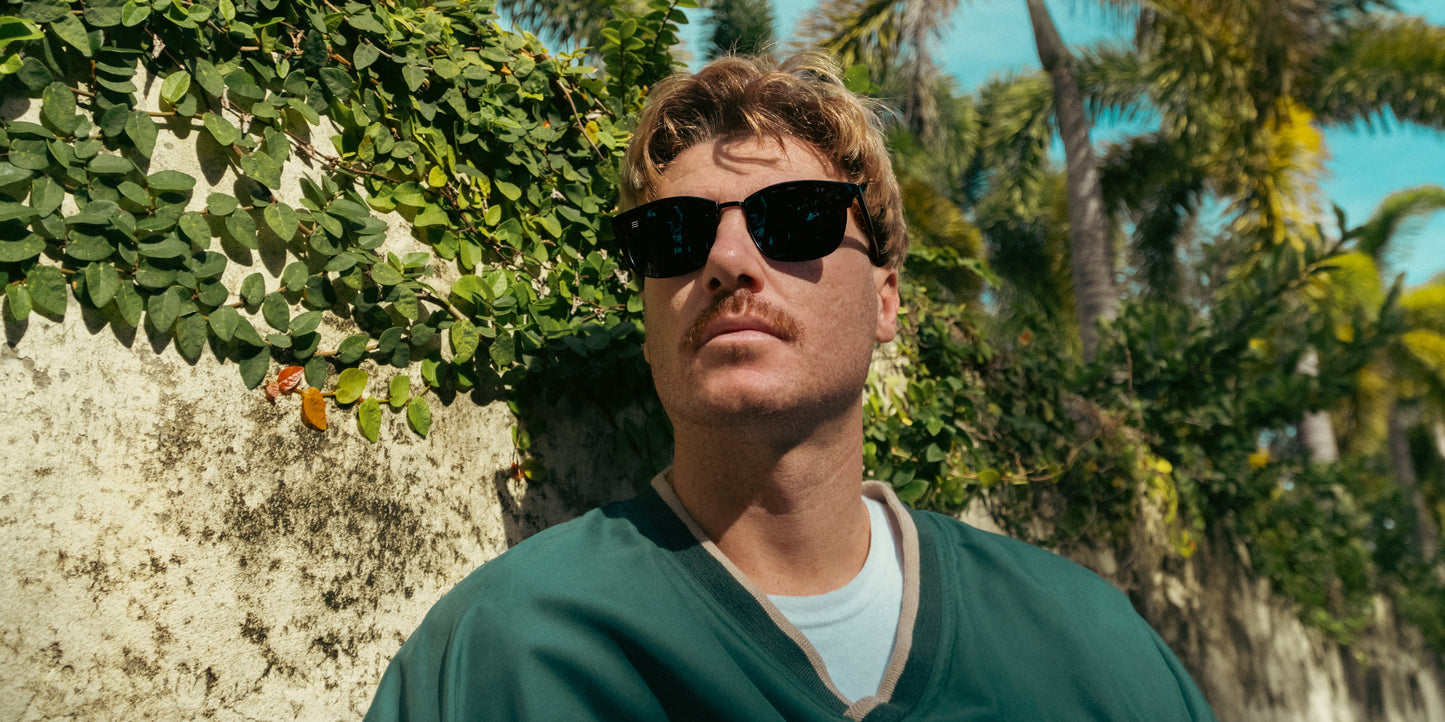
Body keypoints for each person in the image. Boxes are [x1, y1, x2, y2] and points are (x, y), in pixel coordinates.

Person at [363, 52, 1215, 721]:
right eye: (673, 234)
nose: (727, 260)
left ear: (885, 300)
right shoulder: (503, 654)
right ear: (648, 317)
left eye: (796, 216)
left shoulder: (1089, 645)